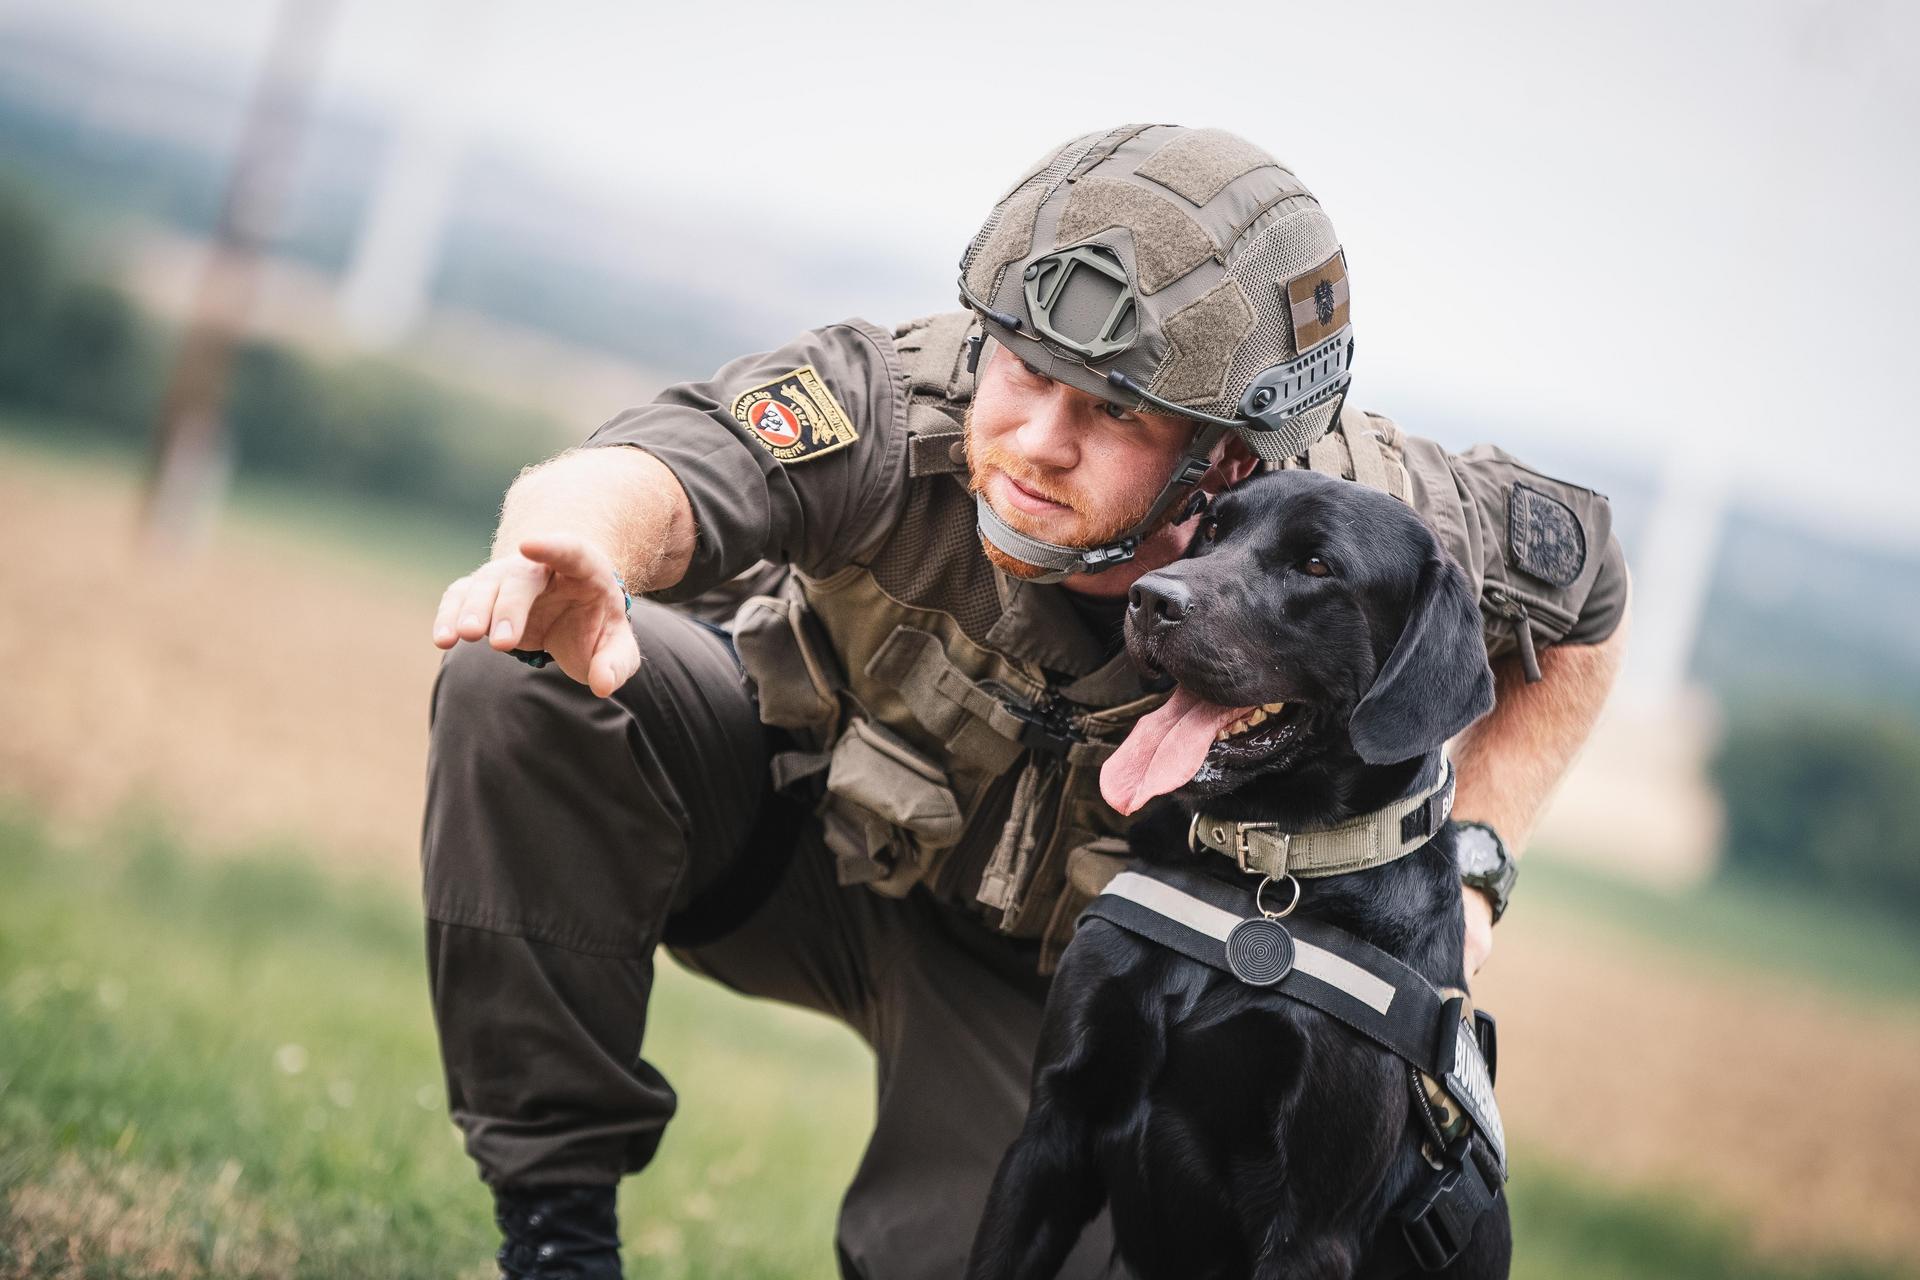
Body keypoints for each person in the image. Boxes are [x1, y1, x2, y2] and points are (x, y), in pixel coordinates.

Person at [424, 124, 1629, 1280]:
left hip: (1078, 991)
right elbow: (659, 471)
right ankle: (558, 1240)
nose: (1036, 440)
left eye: (1115, 409)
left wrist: (1474, 864)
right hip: (803, 841)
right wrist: (570, 538)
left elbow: (1590, 597)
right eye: (1025, 367)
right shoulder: (899, 402)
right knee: (523, 671)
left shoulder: (1368, 518)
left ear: (1231, 456)